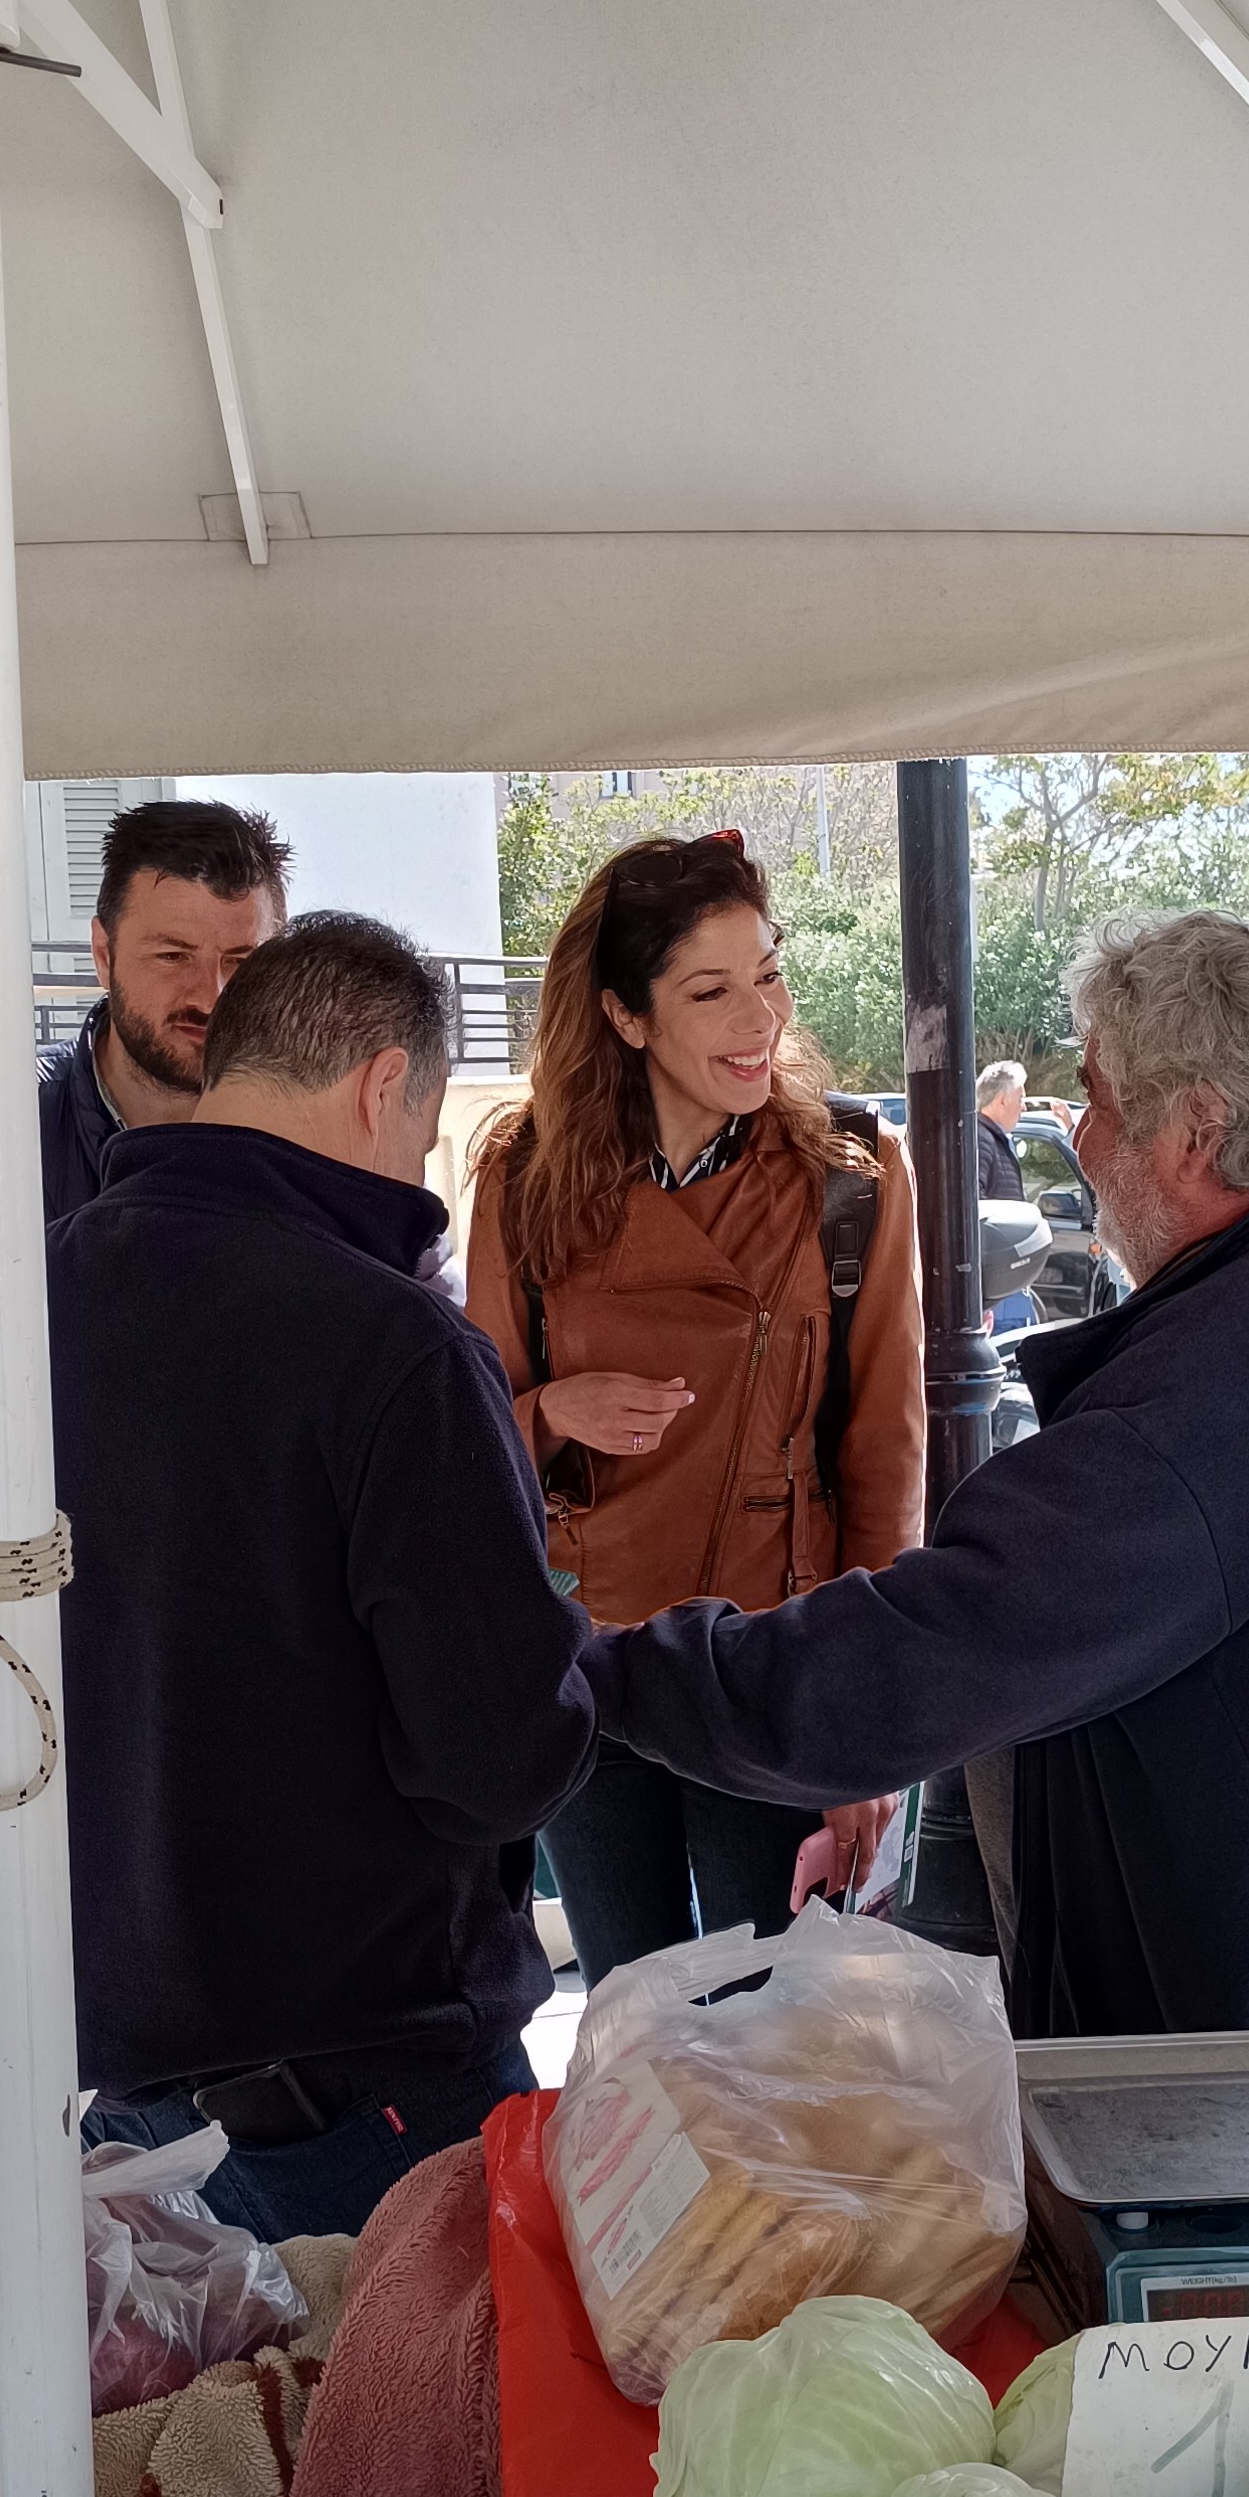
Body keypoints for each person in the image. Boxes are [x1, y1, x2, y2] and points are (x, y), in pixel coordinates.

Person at [581, 910, 1249, 2044]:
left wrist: (594, 1677)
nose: (1084, 1138)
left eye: (1099, 1098)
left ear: (1198, 1129)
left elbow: (926, 1652)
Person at [59, 912, 595, 2243]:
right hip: (374, 2103)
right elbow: (498, 1755)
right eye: (422, 1136)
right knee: (434, 2453)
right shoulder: (397, 1342)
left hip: (120, 2087)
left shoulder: (36, 1291)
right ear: (381, 1084)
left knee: (217, 2456)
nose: (418, 1167)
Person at [466, 832, 924, 1985]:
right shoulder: (526, 1177)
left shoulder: (851, 1174)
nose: (756, 1017)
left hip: (775, 1660)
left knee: (779, 2031)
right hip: (596, 1658)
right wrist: (553, 1409)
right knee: (636, 2018)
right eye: (709, 990)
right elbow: (461, 1445)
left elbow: (884, 1454)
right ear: (625, 1016)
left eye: (767, 973)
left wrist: (870, 1721)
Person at [0, 796, 289, 1766]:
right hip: (38, 1693)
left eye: (243, 961)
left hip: (259, 1698)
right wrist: (19, 1571)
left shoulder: (316, 1140)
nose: (212, 991)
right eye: (173, 955)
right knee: (69, 1924)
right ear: (102, 950)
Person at [976, 1058, 1029, 1198]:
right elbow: (973, 1203)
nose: (1023, 1107)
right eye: (1020, 1099)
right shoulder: (980, 1140)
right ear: (1003, 1100)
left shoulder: (990, 1138)